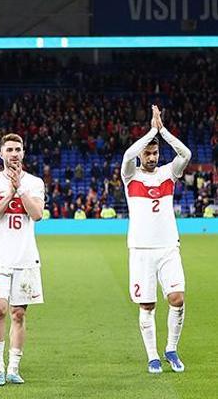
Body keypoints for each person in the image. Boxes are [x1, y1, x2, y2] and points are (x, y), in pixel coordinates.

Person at [121, 105, 191, 374]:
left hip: (168, 247)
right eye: (147, 153)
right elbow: (128, 154)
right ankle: (152, 356)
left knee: (177, 298)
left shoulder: (168, 173)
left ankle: (171, 349)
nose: (151, 156)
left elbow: (186, 153)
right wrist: (150, 130)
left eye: (154, 152)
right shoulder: (130, 176)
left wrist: (164, 132)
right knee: (147, 305)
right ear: (141, 154)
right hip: (140, 249)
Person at [0, 133, 45, 386]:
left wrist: (21, 190)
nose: (14, 153)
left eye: (18, 149)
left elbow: (37, 214)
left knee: (18, 314)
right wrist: (9, 194)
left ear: (23, 153)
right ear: (1, 154)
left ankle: (14, 367)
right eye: (9, 149)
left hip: (26, 258)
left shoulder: (35, 182)